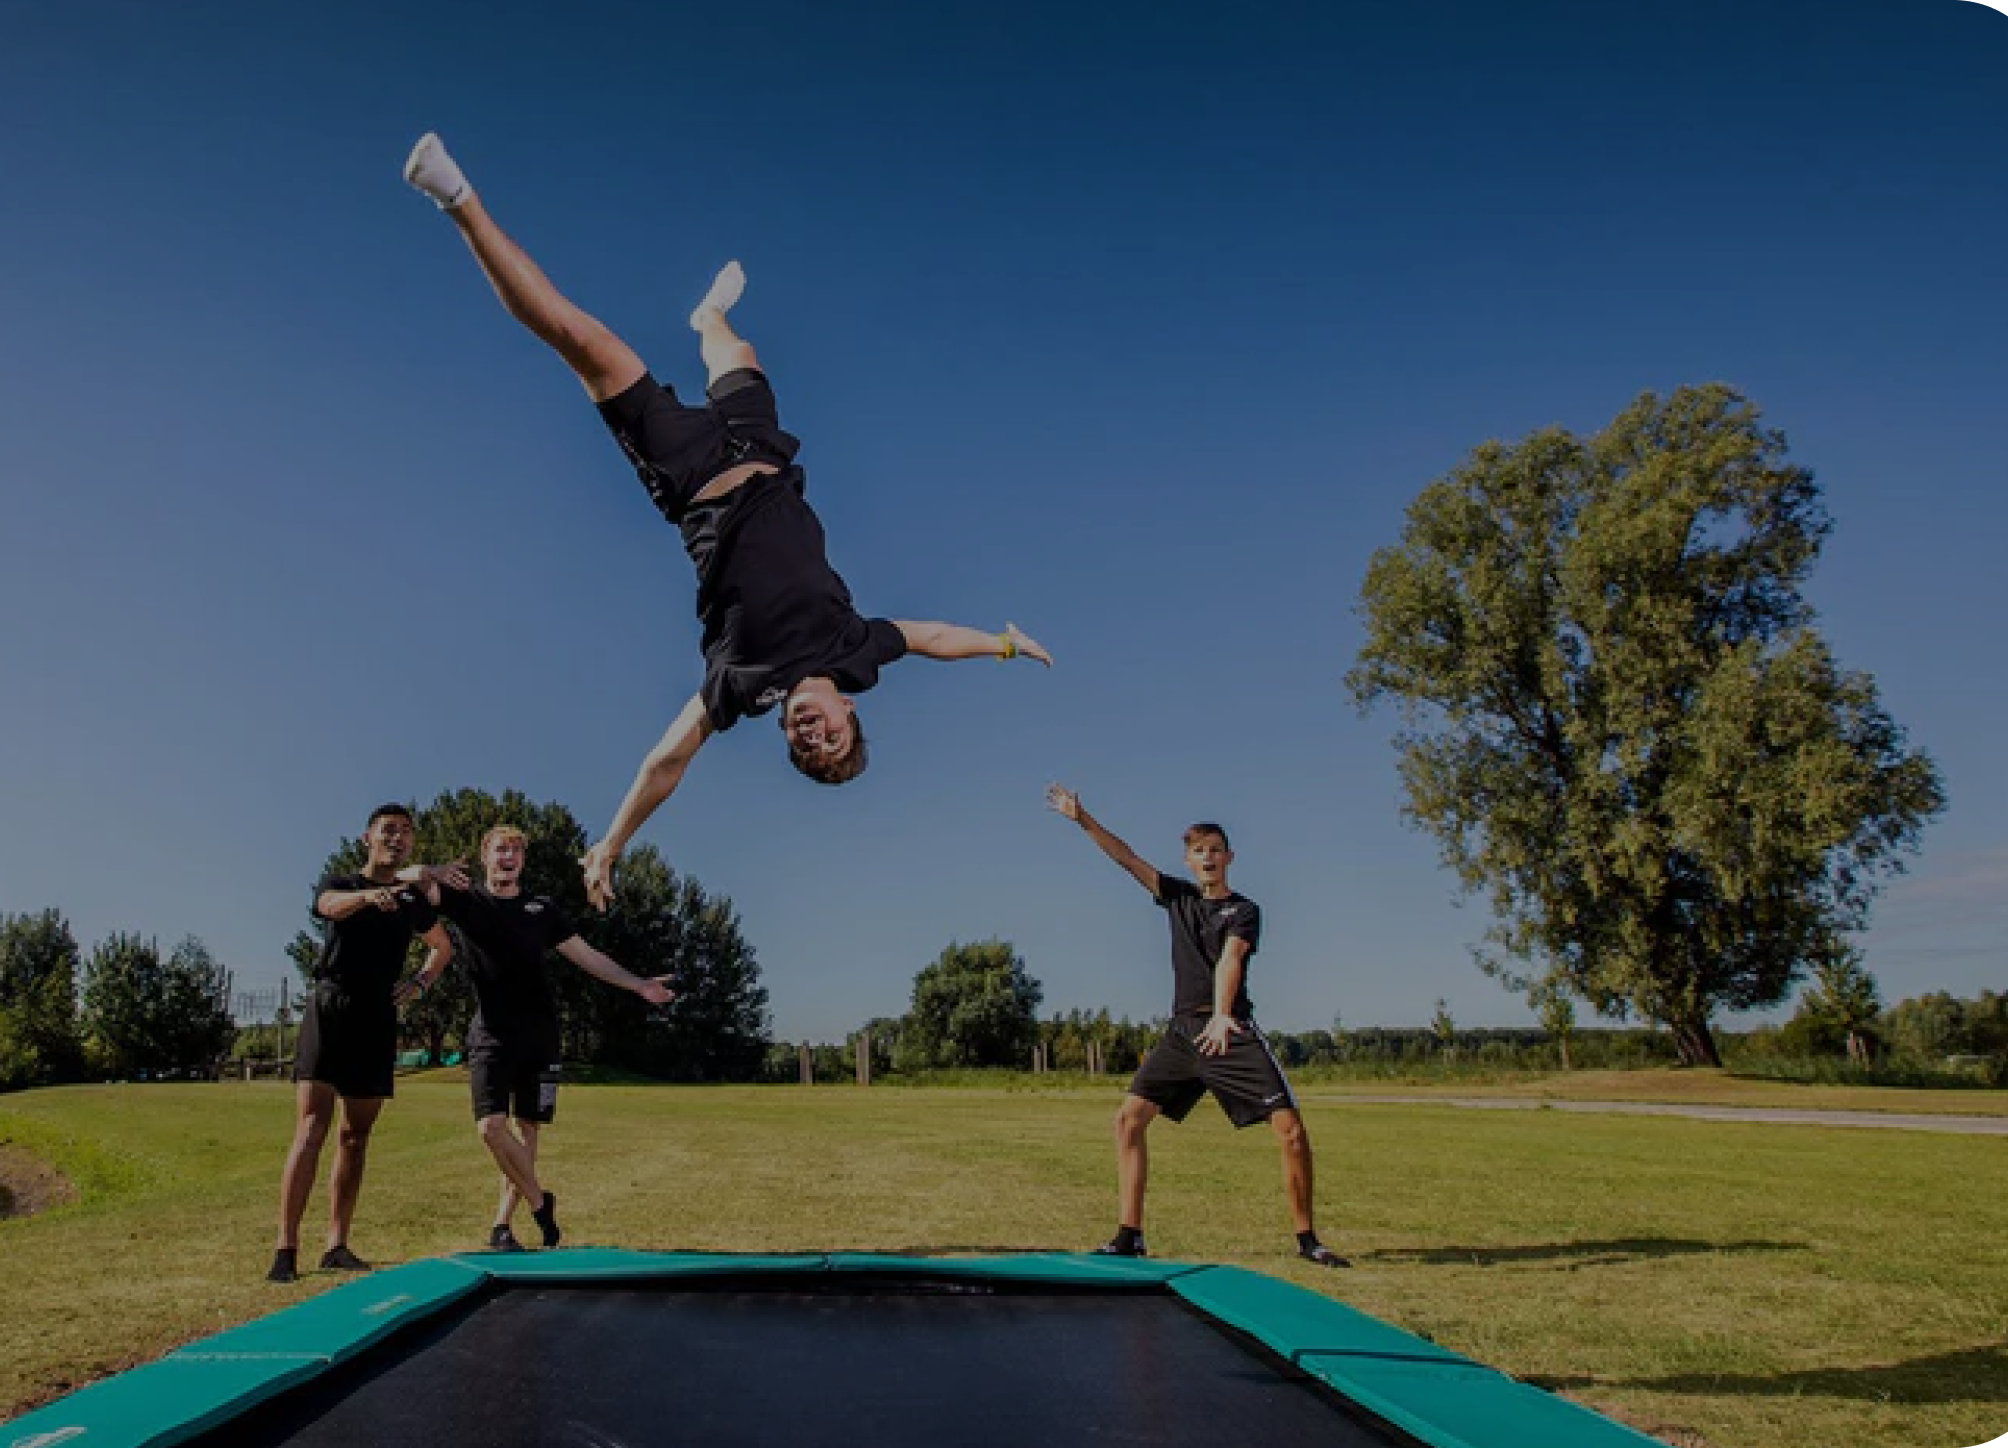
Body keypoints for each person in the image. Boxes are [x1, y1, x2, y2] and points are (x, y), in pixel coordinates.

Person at [402, 132, 1053, 912]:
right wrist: (1006, 644)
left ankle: (456, 199)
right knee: (732, 346)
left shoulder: (738, 688)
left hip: (690, 475)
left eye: (804, 749)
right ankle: (706, 313)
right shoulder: (857, 650)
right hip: (758, 450)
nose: (813, 737)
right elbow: (934, 637)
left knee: (579, 341)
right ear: (851, 711)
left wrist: (612, 842)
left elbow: (665, 764)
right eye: (831, 740)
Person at [1044, 784, 1350, 1268]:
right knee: (1128, 1120)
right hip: (1183, 1034)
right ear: (1187, 861)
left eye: (1213, 850)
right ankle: (1129, 1235)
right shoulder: (1177, 898)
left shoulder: (1244, 911)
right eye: (1197, 851)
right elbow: (1125, 859)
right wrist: (1083, 818)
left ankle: (1308, 1239)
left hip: (1230, 1030)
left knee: (1290, 1131)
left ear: (1229, 857)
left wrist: (1224, 1014)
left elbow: (1231, 958)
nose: (1206, 858)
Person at [411, 824, 675, 1250]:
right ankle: (539, 1201)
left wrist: (638, 984)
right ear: (485, 856)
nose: (509, 855)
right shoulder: (466, 900)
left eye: (516, 850)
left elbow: (587, 956)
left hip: (539, 1035)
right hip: (491, 1034)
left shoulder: (542, 909)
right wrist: (431, 869)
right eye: (501, 848)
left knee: (527, 1131)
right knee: (490, 1128)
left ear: (522, 861)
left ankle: (502, 1225)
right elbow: (408, 879)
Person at [268, 803, 468, 1283]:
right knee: (311, 1129)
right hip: (331, 1007)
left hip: (376, 1015)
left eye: (405, 833)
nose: (397, 839)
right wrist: (369, 897)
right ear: (368, 838)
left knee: (355, 1137)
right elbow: (327, 908)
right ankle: (285, 1249)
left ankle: (336, 1244)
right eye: (388, 831)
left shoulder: (413, 901)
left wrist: (418, 984)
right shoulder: (341, 883)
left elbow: (442, 947)